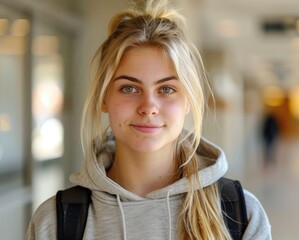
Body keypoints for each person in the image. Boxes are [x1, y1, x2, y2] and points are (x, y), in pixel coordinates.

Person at [26, 0, 271, 239]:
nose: (148, 107)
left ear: (188, 101)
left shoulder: (240, 215)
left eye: (166, 89)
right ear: (103, 98)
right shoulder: (56, 222)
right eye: (129, 88)